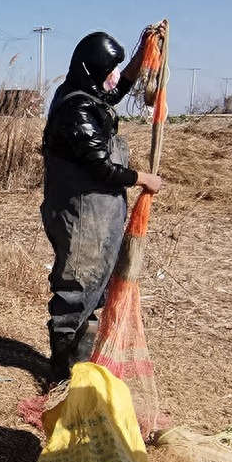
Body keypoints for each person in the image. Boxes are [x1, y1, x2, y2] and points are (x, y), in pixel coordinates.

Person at [40, 30, 163, 383]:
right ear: (91, 68)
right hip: (79, 215)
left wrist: (144, 55)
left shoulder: (88, 96)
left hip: (96, 216)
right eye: (109, 69)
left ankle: (82, 368)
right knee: (77, 291)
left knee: (95, 291)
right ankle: (64, 376)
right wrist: (142, 178)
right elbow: (100, 166)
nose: (113, 77)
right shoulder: (75, 107)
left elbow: (118, 89)